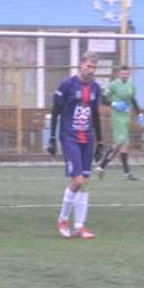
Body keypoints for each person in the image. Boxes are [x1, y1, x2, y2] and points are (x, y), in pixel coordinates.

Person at [46, 51, 102, 239]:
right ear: (80, 65)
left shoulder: (95, 88)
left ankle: (79, 226)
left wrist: (100, 142)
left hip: (88, 138)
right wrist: (52, 137)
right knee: (77, 181)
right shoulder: (67, 85)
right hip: (70, 137)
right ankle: (62, 219)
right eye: (89, 66)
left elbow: (95, 115)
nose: (91, 70)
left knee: (84, 183)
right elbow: (56, 111)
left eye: (94, 67)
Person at [98, 65, 144, 180]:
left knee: (124, 145)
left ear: (129, 74)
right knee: (120, 143)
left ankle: (123, 173)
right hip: (117, 117)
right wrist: (114, 104)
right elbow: (103, 99)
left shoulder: (131, 85)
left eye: (127, 74)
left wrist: (139, 114)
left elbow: (133, 100)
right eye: (123, 73)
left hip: (126, 117)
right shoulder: (114, 85)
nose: (125, 75)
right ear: (119, 74)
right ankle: (101, 166)